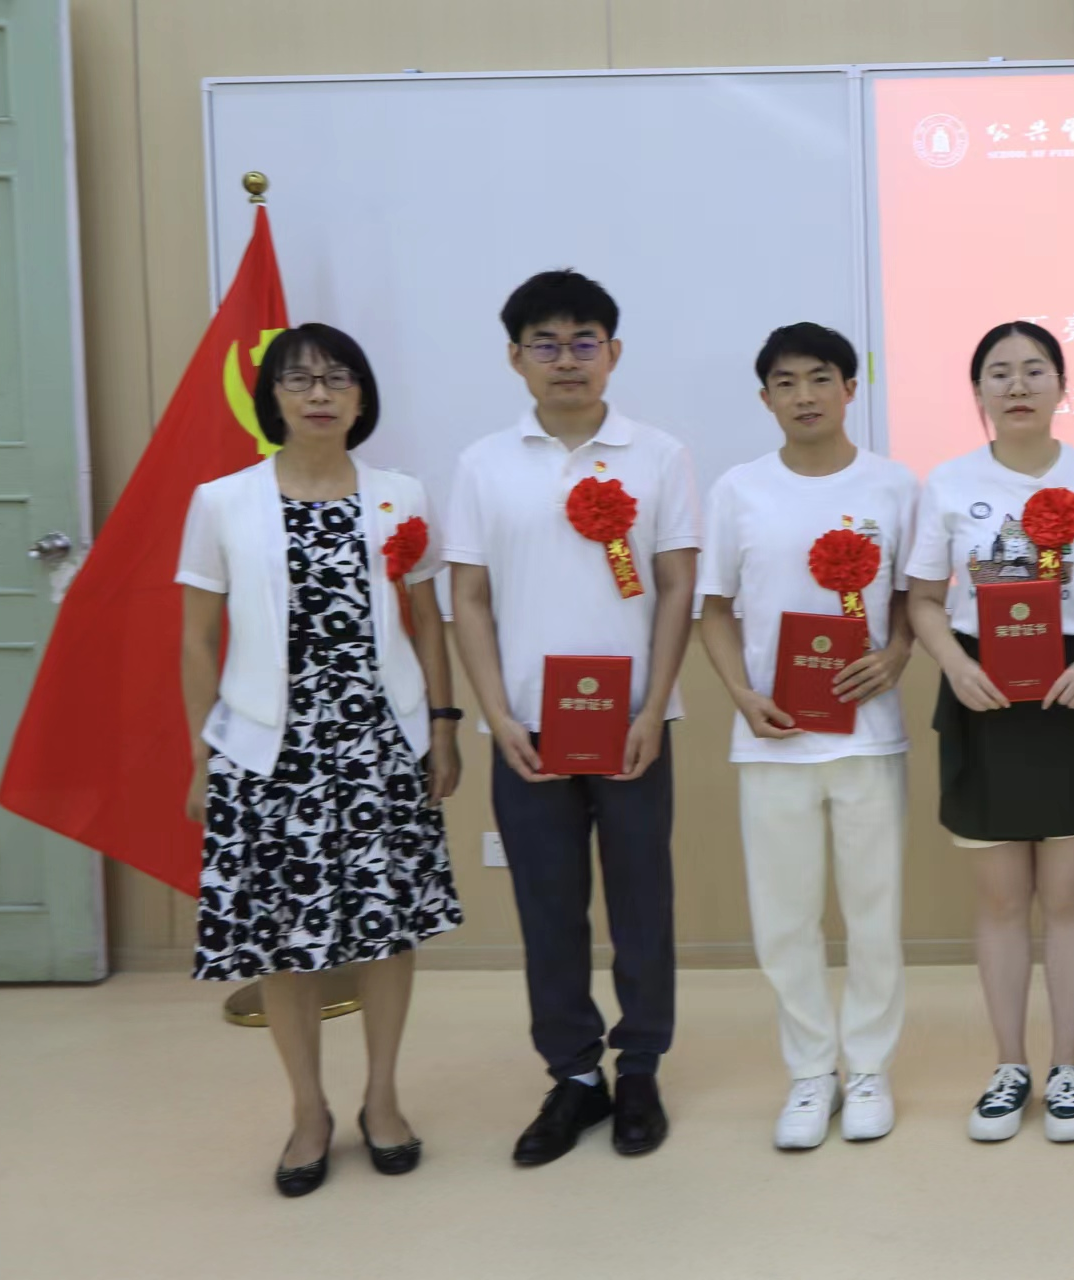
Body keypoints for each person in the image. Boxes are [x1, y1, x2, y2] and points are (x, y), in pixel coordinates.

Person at [176, 323, 464, 1196]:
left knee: (386, 926)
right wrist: (203, 754)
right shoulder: (222, 501)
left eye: (339, 378)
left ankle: (382, 1098)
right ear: (272, 397)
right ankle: (308, 1110)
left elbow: (427, 621)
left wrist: (443, 728)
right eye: (300, 380)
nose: (319, 394)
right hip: (269, 750)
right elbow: (196, 639)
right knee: (281, 936)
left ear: (362, 397)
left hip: (380, 741)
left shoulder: (401, 495)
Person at [447, 269, 701, 1164]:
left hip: (633, 726)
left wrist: (655, 705)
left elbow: (677, 586)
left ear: (613, 353)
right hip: (526, 730)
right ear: (515, 358)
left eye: (584, 341)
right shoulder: (483, 464)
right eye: (546, 344)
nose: (567, 360)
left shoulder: (658, 455)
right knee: (548, 905)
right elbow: (468, 597)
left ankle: (639, 1069)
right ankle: (574, 1076)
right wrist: (497, 714)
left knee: (641, 903)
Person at [907, 320, 1074, 1144]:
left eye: (1034, 369)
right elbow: (923, 600)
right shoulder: (947, 482)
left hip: (1073, 691)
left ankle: (1068, 1065)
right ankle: (1009, 1066)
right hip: (983, 695)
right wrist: (953, 665)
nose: (1017, 385)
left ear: (1062, 385)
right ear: (977, 392)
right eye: (998, 372)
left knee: (1068, 895)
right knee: (1002, 899)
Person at [694, 323, 917, 1150]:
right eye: (785, 383)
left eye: (820, 378)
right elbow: (714, 610)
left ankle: (870, 1069)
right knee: (783, 919)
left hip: (867, 736)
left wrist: (895, 655)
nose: (804, 396)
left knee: (873, 914)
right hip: (774, 736)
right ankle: (810, 1072)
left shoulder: (895, 486)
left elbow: (914, 603)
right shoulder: (738, 490)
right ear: (765, 399)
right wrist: (742, 696)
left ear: (851, 389)